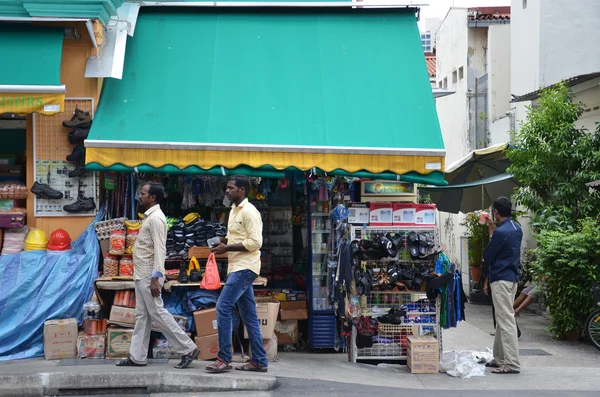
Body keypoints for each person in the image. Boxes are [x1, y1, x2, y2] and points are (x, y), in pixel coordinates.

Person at [116, 182, 199, 368]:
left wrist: (156, 277)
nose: (140, 196)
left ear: (152, 197)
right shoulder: (150, 217)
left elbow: (160, 251)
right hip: (142, 274)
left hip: (148, 275)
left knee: (158, 313)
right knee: (142, 316)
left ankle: (188, 349)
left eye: (143, 193)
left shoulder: (156, 219)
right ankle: (137, 357)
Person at [206, 175, 268, 373]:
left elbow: (255, 243)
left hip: (245, 267)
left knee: (223, 307)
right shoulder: (233, 210)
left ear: (241, 190)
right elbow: (237, 237)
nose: (227, 191)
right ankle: (259, 360)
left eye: (230, 188)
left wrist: (227, 248)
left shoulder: (250, 212)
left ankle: (224, 359)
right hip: (238, 267)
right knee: (249, 315)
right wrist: (223, 241)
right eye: (227, 187)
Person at [482, 196, 523, 374]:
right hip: (512, 278)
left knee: (506, 320)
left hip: (500, 278)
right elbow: (499, 243)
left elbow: (489, 255)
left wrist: (491, 229)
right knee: (502, 318)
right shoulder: (516, 228)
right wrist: (492, 226)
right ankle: (499, 358)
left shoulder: (501, 232)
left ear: (496, 212)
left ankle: (512, 363)